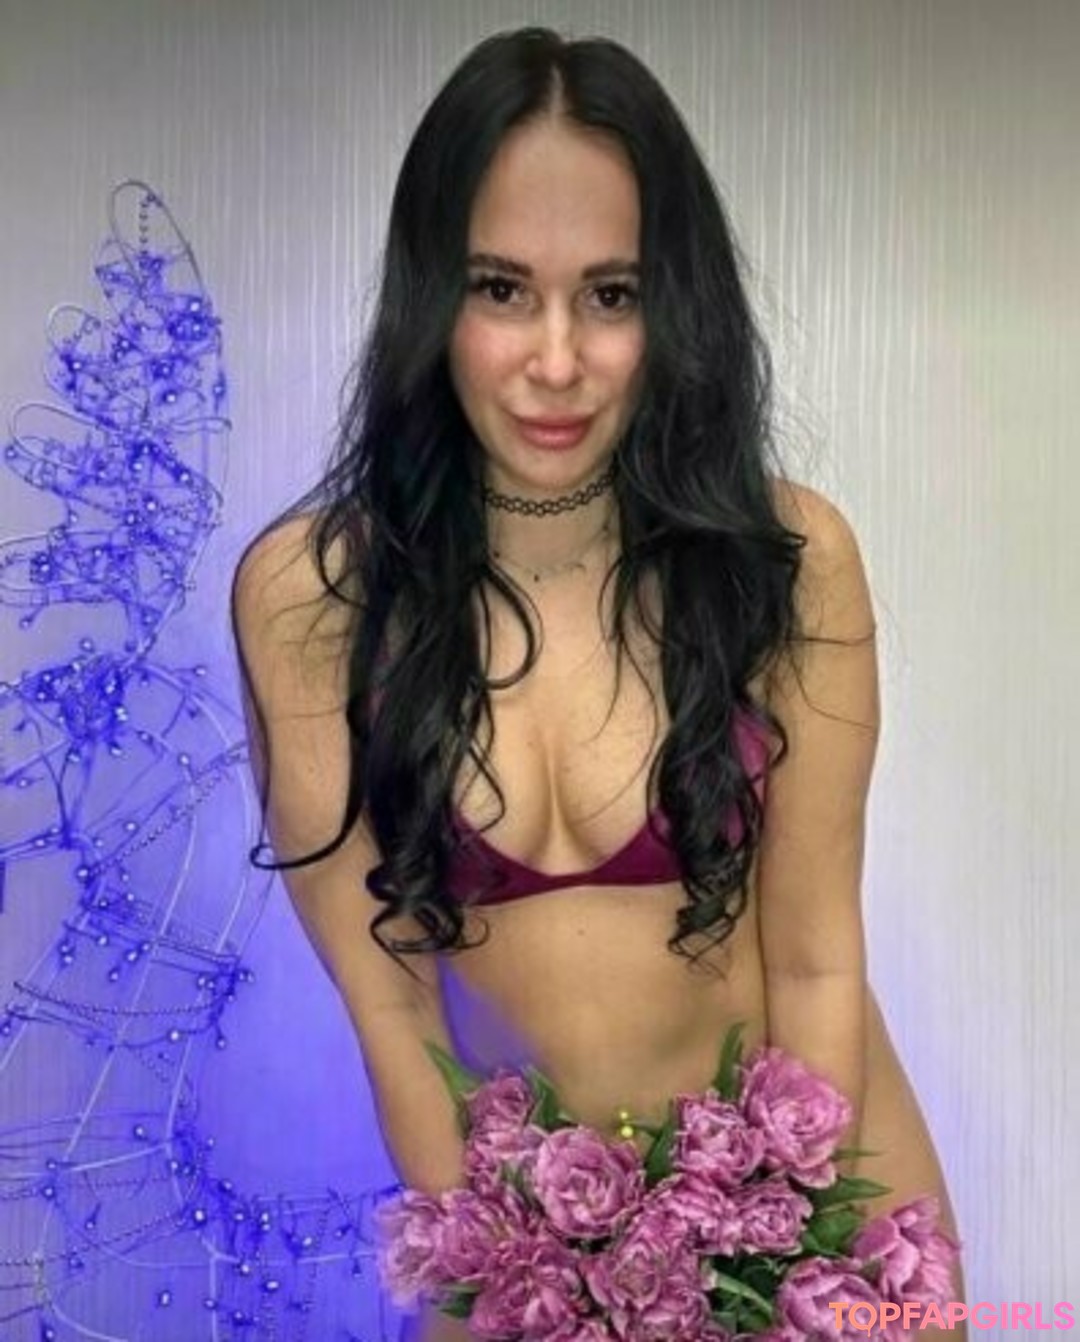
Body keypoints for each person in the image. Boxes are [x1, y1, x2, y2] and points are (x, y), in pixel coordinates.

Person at [230, 26, 966, 1342]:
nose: (557, 360)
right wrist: (531, 1288)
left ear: (672, 306)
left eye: (611, 294)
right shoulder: (313, 600)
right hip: (514, 1252)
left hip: (822, 1209)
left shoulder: (787, 563)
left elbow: (812, 960)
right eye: (502, 289)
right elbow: (391, 1006)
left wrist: (776, 1269)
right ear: (430, 294)